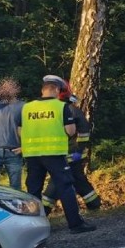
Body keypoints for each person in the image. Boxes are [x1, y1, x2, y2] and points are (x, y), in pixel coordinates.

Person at [17, 75, 95, 233]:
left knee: (33, 190)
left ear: (42, 90)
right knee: (65, 187)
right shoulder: (61, 107)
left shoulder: (27, 107)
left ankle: (33, 226)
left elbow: (20, 131)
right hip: (54, 154)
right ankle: (76, 224)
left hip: (32, 154)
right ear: (58, 90)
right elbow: (70, 130)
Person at [42, 81, 101, 214]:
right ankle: (94, 204)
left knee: (56, 183)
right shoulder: (67, 110)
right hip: (66, 154)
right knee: (78, 180)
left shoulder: (70, 111)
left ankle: (43, 210)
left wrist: (79, 151)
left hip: (70, 155)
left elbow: (84, 133)